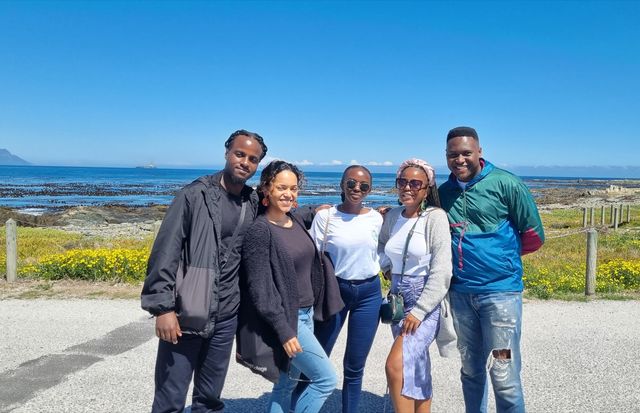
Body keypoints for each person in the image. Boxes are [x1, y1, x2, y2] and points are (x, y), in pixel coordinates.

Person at [141, 129, 267, 413]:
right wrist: (162, 309)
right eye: (239, 154)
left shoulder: (253, 201)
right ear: (226, 152)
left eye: (252, 159)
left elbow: (282, 215)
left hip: (226, 316)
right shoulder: (193, 195)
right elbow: (165, 252)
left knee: (209, 400)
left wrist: (325, 211)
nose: (245, 162)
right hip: (187, 313)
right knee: (169, 400)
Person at [438, 126, 545, 413]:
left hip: (501, 295)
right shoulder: (443, 192)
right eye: (452, 155)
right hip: (461, 295)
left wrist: (499, 259)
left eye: (465, 153)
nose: (459, 160)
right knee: (471, 371)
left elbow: (534, 235)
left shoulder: (506, 183)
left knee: (504, 374)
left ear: (479, 152)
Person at [240, 160, 339, 413]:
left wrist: (319, 208)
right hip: (289, 320)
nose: (288, 194)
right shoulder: (260, 231)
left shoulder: (293, 219)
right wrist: (284, 331)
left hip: (306, 315)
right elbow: (260, 289)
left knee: (284, 385)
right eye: (281, 188)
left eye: (293, 189)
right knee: (325, 379)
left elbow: (304, 213)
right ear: (266, 189)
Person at [378, 159, 456, 413]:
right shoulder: (391, 216)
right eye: (402, 182)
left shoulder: (435, 218)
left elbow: (442, 269)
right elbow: (380, 245)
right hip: (398, 298)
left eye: (415, 183)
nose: (407, 188)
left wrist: (420, 310)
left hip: (425, 302)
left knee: (395, 364)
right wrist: (387, 267)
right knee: (416, 363)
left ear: (426, 188)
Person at [304, 165, 383, 413]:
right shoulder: (325, 217)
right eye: (351, 183)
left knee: (355, 365)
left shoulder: (377, 218)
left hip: (369, 293)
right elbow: (310, 255)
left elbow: (385, 250)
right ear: (341, 184)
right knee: (316, 361)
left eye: (363, 186)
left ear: (370, 190)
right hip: (333, 291)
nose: (356, 189)